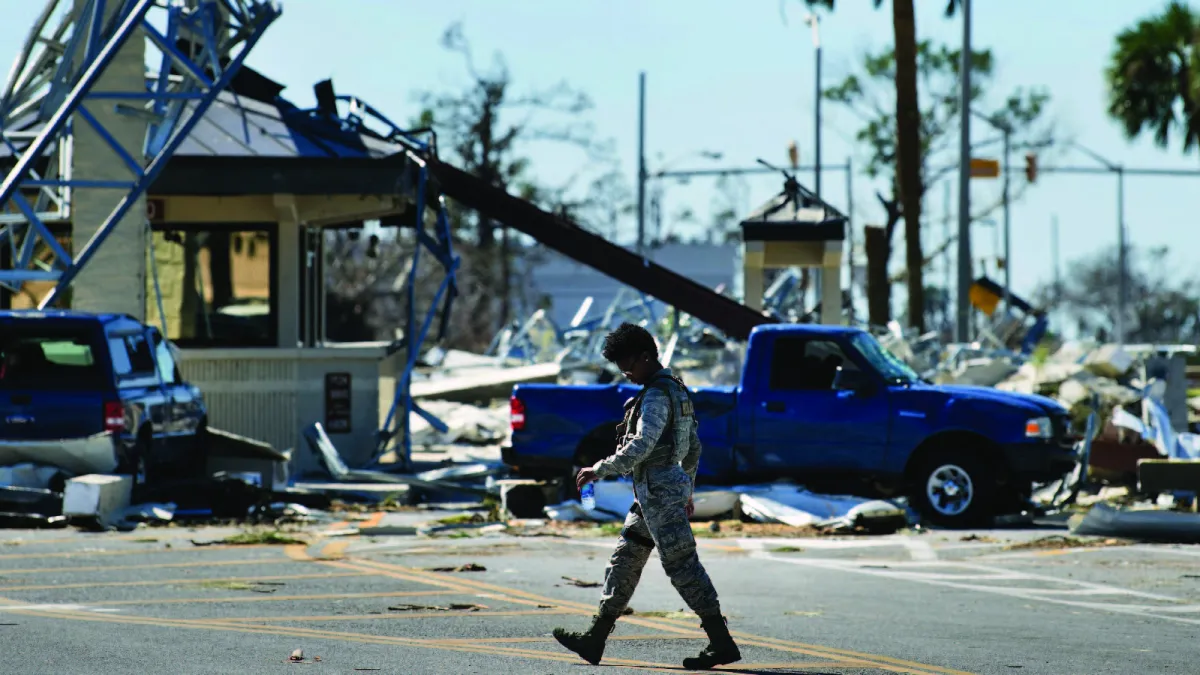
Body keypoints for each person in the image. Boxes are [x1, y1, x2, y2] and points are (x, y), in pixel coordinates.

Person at [552, 322, 741, 670]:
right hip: (656, 494)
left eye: (628, 364)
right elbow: (694, 447)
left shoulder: (656, 395)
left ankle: (721, 642)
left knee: (683, 566)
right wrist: (687, 486)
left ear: (645, 356)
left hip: (658, 494)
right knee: (626, 560)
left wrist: (601, 469)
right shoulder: (677, 390)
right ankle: (595, 638)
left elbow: (643, 443)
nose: (625, 372)